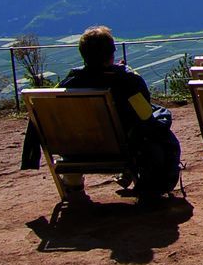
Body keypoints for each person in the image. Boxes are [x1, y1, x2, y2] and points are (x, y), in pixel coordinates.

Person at [21, 26, 181, 200]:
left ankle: (73, 184)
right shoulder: (127, 82)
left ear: (83, 54)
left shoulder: (68, 84)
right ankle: (151, 186)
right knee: (159, 129)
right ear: (111, 53)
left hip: (74, 150)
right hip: (122, 149)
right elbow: (145, 117)